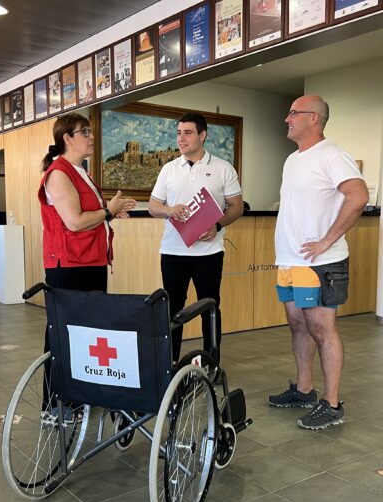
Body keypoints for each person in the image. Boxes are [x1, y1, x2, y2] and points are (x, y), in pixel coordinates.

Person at [268, 95, 369, 430]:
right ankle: (304, 389)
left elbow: (359, 195)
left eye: (293, 113)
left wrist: (327, 239)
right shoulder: (293, 159)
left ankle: (333, 402)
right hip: (291, 261)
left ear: (314, 118)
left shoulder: (333, 154)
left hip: (321, 263)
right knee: (299, 325)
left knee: (323, 330)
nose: (287, 118)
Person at [38, 113, 136, 412]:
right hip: (69, 265)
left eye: (90, 131)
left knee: (87, 333)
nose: (91, 136)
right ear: (67, 138)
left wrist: (109, 210)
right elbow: (75, 221)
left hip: (90, 262)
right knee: (64, 334)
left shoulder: (81, 172)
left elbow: (89, 212)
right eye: (84, 132)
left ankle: (81, 395)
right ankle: (56, 402)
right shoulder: (59, 173)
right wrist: (108, 211)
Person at [149, 112, 243, 363]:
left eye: (188, 133)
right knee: (171, 309)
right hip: (172, 253)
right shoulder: (168, 169)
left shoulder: (223, 168)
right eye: (179, 133)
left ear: (203, 135)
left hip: (208, 253)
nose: (181, 138)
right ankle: (169, 364)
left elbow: (237, 206)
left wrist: (218, 224)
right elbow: (153, 206)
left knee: (210, 308)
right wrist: (169, 209)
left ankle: (211, 364)